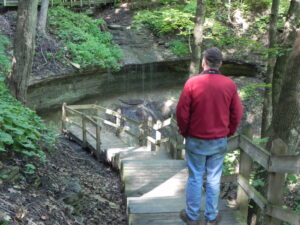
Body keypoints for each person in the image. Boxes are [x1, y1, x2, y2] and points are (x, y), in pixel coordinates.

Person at [176, 47, 243, 225]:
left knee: (195, 177)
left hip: (196, 139)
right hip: (218, 140)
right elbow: (237, 113)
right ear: (220, 63)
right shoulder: (229, 84)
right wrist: (229, 132)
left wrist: (185, 132)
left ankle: (192, 216)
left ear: (203, 62)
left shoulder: (192, 83)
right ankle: (211, 217)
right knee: (214, 178)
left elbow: (182, 112)